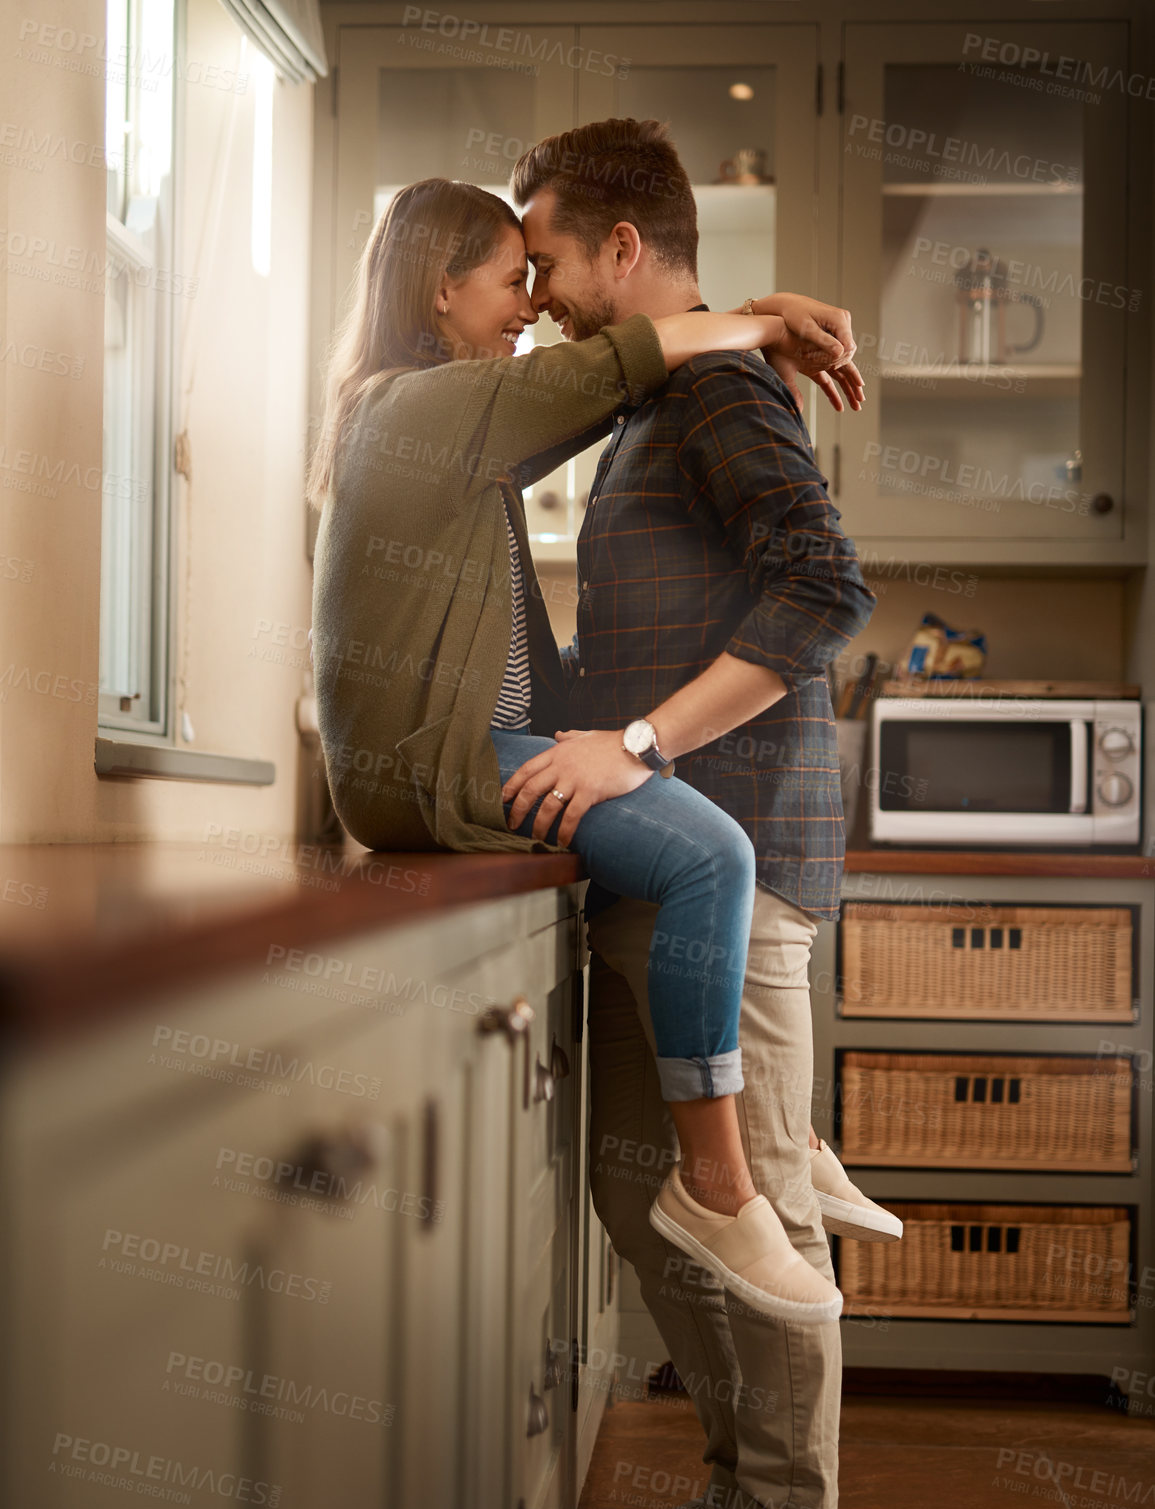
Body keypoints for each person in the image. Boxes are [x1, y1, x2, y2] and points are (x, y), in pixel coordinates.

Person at [306, 177, 865, 1322]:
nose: (528, 305)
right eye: (513, 281)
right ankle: (720, 1180)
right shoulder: (423, 403)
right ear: (441, 286)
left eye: (536, 274)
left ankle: (776, 1133)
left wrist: (754, 317)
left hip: (458, 747)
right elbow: (613, 370)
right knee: (714, 859)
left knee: (686, 857)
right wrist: (765, 316)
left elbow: (610, 383)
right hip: (443, 762)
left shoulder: (423, 407)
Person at [502, 117, 900, 1509]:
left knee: (757, 1217)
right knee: (656, 1194)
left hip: (730, 849)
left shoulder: (719, 390)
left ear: (621, 244)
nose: (533, 289)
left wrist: (638, 745)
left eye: (542, 254)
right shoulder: (656, 392)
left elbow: (824, 584)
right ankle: (740, 1500)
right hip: (669, 865)